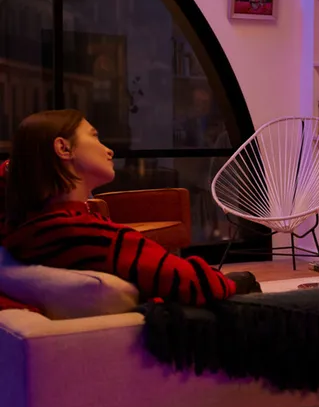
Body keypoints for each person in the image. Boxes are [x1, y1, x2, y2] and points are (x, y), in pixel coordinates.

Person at [0, 109, 254, 307]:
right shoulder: (94, 236)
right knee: (244, 281)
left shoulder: (21, 227)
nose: (109, 150)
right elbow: (195, 283)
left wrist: (23, 165)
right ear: (63, 148)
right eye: (94, 136)